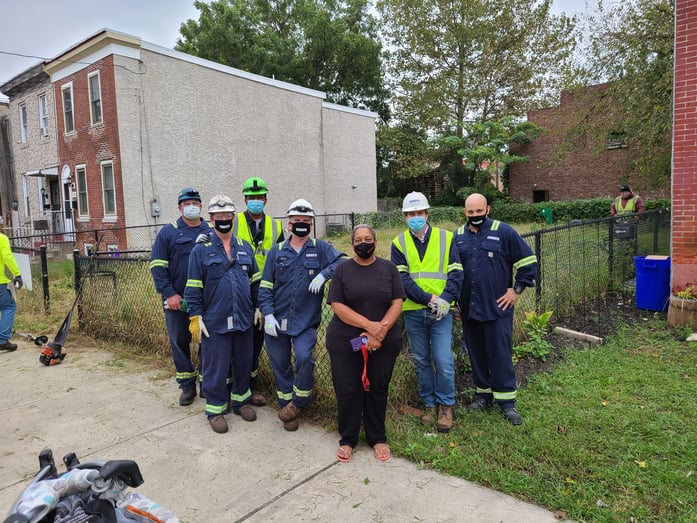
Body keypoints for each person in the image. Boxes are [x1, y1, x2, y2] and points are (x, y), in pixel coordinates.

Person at [258, 198, 346, 431]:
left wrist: (324, 274)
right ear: (289, 223)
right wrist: (267, 314)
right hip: (276, 319)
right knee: (280, 365)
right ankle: (287, 408)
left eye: (306, 221)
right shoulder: (276, 252)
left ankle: (298, 402)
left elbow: (343, 260)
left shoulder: (320, 248)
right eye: (297, 220)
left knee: (305, 358)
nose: (301, 224)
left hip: (306, 321)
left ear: (312, 223)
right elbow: (265, 287)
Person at [453, 193, 538, 426]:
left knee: (499, 354)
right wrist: (455, 303)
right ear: (465, 213)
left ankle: (507, 402)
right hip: (469, 309)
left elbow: (528, 261)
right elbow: (452, 273)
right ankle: (483, 396)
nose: (475, 216)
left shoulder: (504, 231)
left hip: (497, 308)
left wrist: (516, 290)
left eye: (479, 211)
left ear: (487, 209)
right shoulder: (458, 237)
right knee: (476, 354)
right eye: (470, 213)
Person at [326, 225, 405, 463]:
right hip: (346, 342)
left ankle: (377, 437)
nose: (363, 243)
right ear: (352, 245)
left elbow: (397, 302)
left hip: (384, 340)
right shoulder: (342, 270)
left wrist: (380, 330)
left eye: (367, 239)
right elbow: (337, 305)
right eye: (358, 240)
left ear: (375, 241)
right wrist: (369, 326)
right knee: (348, 389)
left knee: (377, 388)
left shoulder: (388, 268)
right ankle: (348, 439)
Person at [184, 194, 261, 434]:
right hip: (215, 320)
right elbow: (194, 286)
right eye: (219, 217)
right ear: (211, 219)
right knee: (215, 367)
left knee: (243, 362)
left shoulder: (244, 247)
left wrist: (259, 306)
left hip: (243, 319)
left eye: (228, 215)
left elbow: (255, 281)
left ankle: (241, 400)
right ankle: (216, 409)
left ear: (233, 217)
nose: (224, 219)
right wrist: (196, 316)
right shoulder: (201, 250)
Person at [390, 192, 463, 433]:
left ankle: (445, 406)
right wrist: (431, 299)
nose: (415, 218)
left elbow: (456, 273)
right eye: (411, 214)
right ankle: (429, 404)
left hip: (441, 312)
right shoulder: (399, 243)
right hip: (414, 311)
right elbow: (402, 280)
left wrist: (446, 300)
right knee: (421, 360)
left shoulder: (446, 238)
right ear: (404, 216)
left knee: (442, 360)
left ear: (427, 214)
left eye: (419, 213)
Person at [150, 187, 211, 405]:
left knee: (208, 343)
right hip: (177, 301)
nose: (191, 207)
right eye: (186, 204)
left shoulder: (211, 231)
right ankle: (187, 386)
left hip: (205, 302)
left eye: (194, 202)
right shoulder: (169, 232)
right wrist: (170, 294)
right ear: (179, 207)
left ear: (201, 206)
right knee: (179, 342)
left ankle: (206, 384)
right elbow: (158, 266)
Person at [232, 176, 284, 407]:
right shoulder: (232, 223)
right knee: (233, 342)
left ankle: (250, 388)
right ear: (245, 199)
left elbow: (282, 258)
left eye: (259, 197)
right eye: (251, 198)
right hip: (236, 291)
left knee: (255, 343)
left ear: (265, 199)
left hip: (263, 293)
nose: (255, 201)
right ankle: (231, 387)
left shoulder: (276, 225)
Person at [0, 232, 23, 351]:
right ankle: (3, 340)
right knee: (8, 307)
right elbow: (7, 257)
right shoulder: (1, 238)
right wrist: (17, 274)